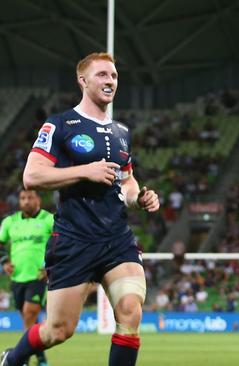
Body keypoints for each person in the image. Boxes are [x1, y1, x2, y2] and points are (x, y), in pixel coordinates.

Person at [1, 52, 159, 366]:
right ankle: (12, 359)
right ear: (82, 80)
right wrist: (83, 171)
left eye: (113, 76)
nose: (110, 81)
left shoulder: (121, 132)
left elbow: (126, 181)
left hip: (117, 239)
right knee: (58, 330)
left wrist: (138, 197)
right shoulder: (60, 124)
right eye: (102, 75)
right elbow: (31, 176)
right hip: (74, 240)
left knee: (130, 310)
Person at [0, 190, 53, 366]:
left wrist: (50, 266)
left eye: (30, 197)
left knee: (30, 315)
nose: (26, 201)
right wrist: (5, 261)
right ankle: (41, 358)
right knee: (28, 321)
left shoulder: (48, 219)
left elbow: (60, 243)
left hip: (37, 277)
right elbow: (0, 243)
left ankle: (20, 359)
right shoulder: (10, 222)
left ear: (38, 199)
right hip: (17, 278)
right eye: (23, 198)